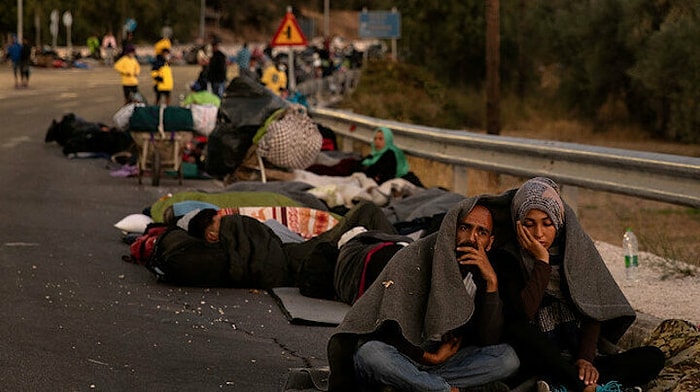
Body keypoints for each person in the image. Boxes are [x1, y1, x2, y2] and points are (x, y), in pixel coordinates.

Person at [326, 196, 520, 392]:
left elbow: (489, 338)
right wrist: (428, 357)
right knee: (370, 354)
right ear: (451, 229)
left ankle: (414, 386)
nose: (472, 238)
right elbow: (385, 328)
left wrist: (491, 283)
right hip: (404, 357)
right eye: (465, 228)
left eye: (482, 232)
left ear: (490, 242)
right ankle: (443, 390)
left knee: (507, 358)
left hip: (443, 365)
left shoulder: (489, 271)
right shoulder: (416, 256)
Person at [492, 177, 665, 392]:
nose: (538, 233)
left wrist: (585, 359)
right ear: (517, 223)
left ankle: (572, 383)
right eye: (529, 224)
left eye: (547, 224)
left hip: (574, 352)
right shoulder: (507, 257)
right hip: (537, 355)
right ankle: (581, 384)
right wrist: (542, 263)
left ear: (559, 221)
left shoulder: (575, 251)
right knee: (521, 331)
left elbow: (592, 310)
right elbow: (523, 313)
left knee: (653, 358)